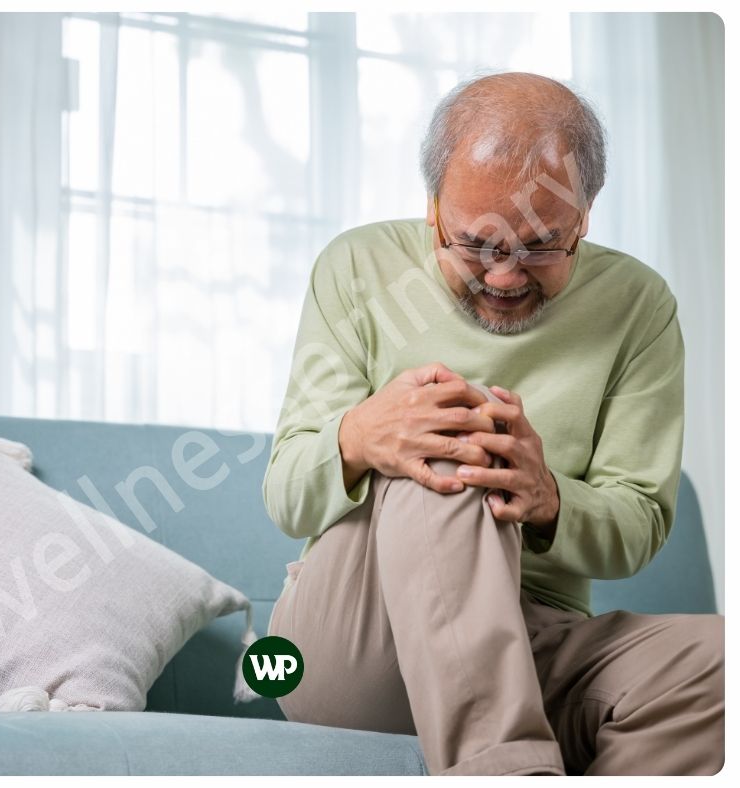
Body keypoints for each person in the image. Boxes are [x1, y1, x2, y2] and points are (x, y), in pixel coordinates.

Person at [261, 72, 724, 776]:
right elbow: (286, 494)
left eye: (540, 246)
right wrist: (360, 438)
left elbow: (639, 525)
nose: (505, 276)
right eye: (477, 245)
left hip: (533, 643)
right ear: (433, 211)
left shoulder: (639, 306)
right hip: (360, 637)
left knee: (719, 664)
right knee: (455, 437)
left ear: (585, 215)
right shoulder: (356, 267)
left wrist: (549, 498)